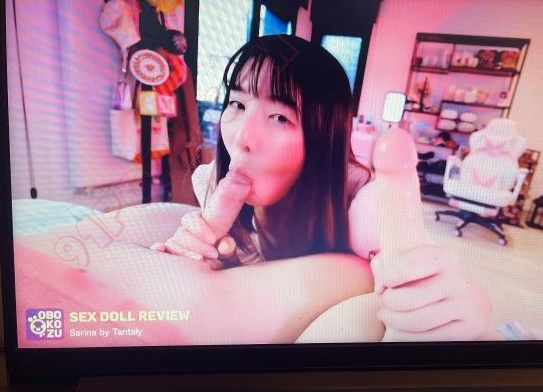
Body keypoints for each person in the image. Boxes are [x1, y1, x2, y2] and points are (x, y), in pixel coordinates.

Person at [152, 34, 496, 343]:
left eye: (280, 117)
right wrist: (216, 262)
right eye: (238, 104)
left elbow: (420, 273)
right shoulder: (209, 180)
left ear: (322, 138)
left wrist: (467, 304)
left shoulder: (359, 203)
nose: (242, 137)